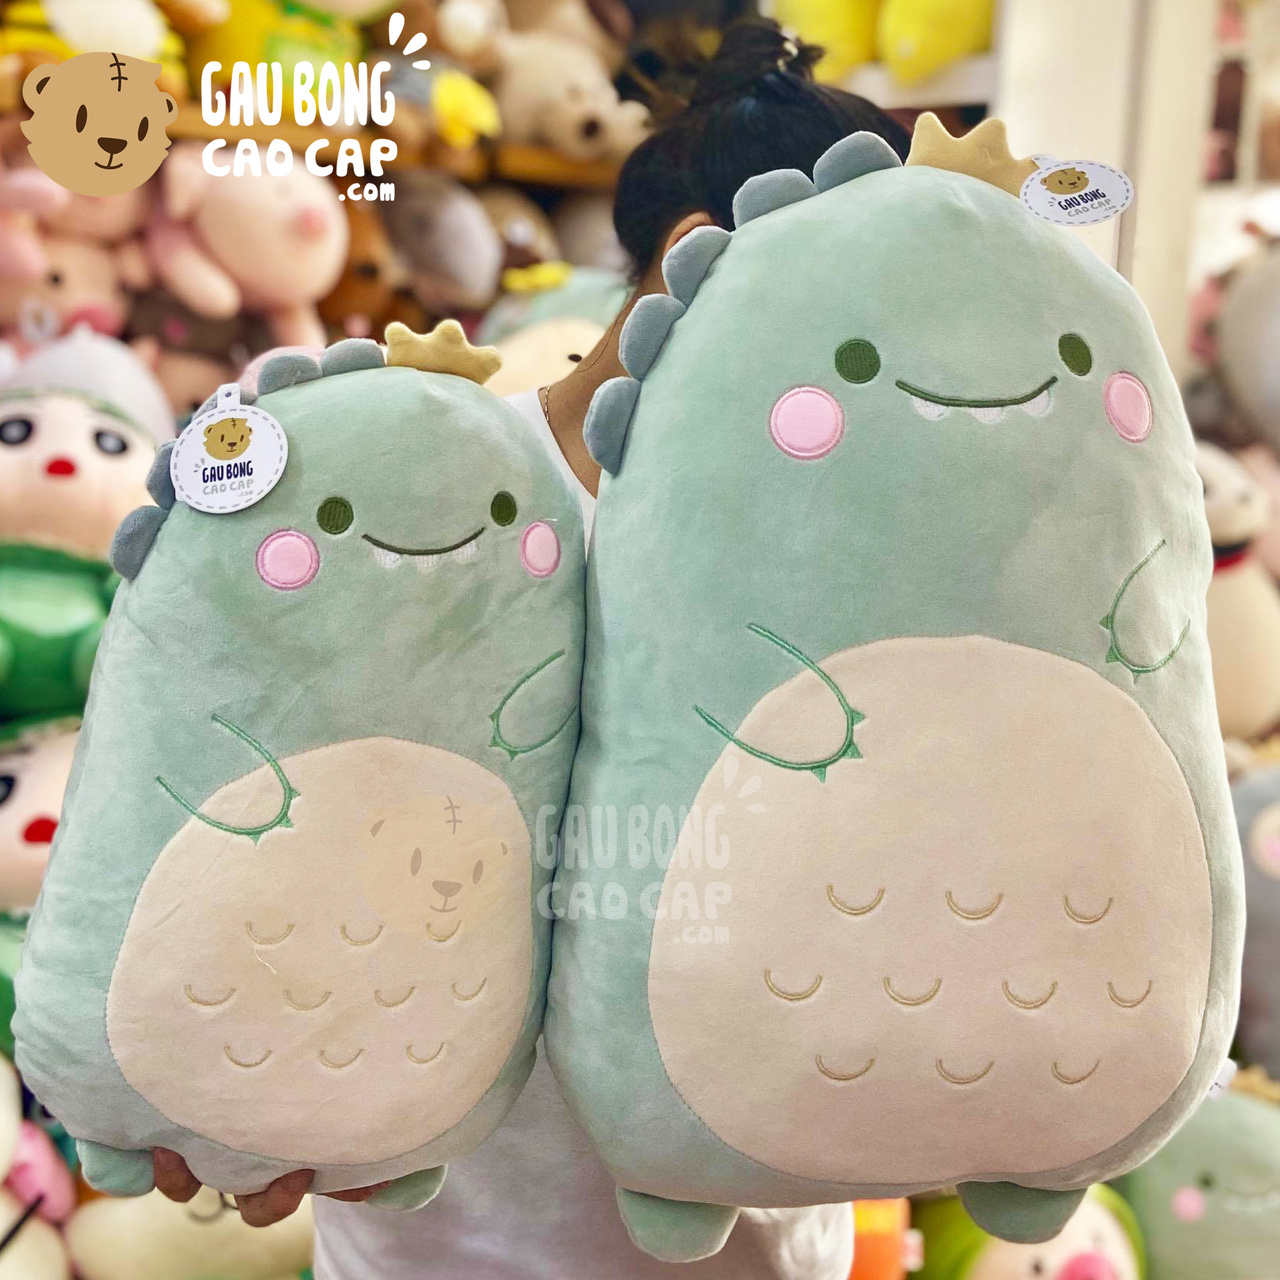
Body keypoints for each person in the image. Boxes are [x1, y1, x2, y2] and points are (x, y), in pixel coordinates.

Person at [152, 21, 911, 1279]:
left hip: (751, 1238)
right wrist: (231, 1089)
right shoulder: (422, 502)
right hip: (441, 1243)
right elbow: (268, 812)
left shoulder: (854, 540)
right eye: (866, 292)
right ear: (697, 255)